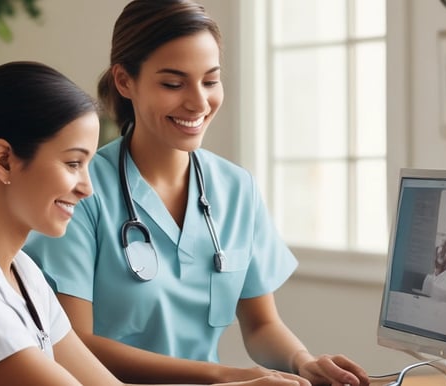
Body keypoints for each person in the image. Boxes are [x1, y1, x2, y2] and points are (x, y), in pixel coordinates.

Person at [0, 61, 299, 386]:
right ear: (4, 160)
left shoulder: (22, 274)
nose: (87, 187)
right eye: (72, 163)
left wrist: (237, 378)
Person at [23, 1, 371, 385]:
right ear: (124, 81)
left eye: (210, 81)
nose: (199, 103)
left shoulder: (237, 189)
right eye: (173, 84)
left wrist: (302, 361)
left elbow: (261, 324)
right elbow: (74, 344)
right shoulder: (81, 193)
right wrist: (224, 375)